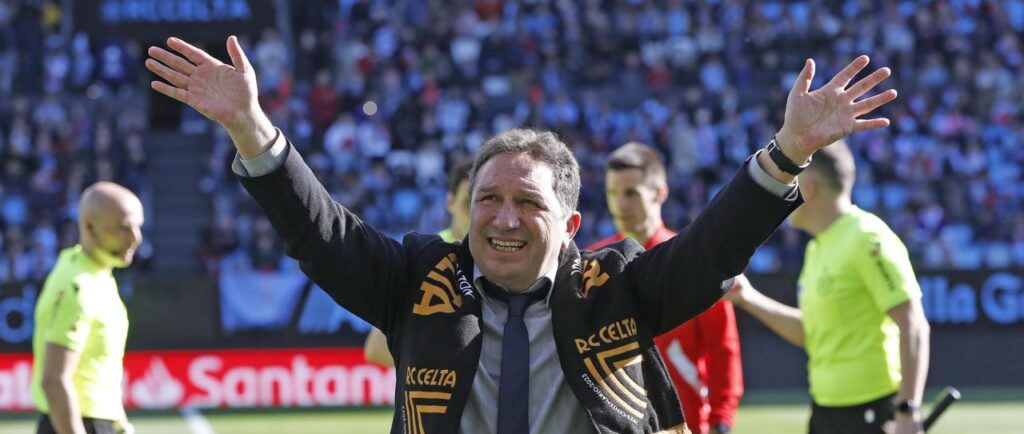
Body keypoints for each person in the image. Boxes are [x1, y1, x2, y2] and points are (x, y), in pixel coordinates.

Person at [146, 35, 896, 433]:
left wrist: (788, 152)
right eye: (488, 199)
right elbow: (322, 235)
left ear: (570, 226)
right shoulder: (417, 279)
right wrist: (251, 129)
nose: (502, 219)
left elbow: (712, 250)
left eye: (526, 204)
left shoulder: (617, 285)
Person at [726, 141, 930, 434]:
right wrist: (748, 298)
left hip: (871, 412)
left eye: (791, 182)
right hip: (825, 412)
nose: (785, 193)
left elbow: (914, 325)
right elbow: (815, 333)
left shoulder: (868, 239)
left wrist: (908, 410)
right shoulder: (818, 247)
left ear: (808, 188)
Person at [588, 143, 742, 434]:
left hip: (685, 422)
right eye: (612, 193)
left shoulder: (694, 261)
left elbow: (723, 348)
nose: (620, 205)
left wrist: (722, 420)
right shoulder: (593, 265)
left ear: (660, 192)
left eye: (631, 193)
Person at [31, 182, 144, 434]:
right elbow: (54, 381)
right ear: (90, 225)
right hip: (76, 424)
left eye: (139, 226)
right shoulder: (77, 285)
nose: (136, 238)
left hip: (94, 421)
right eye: (124, 227)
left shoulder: (95, 273)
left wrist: (118, 422)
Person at [364, 158, 474, 367]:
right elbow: (377, 349)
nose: (476, 215)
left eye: (486, 201)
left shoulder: (503, 259)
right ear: (450, 202)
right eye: (468, 204)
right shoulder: (423, 257)